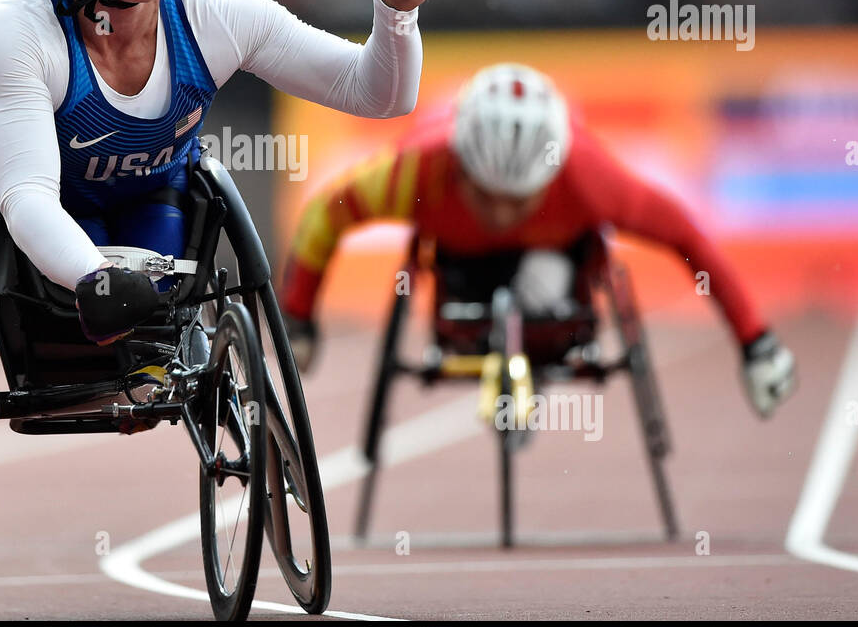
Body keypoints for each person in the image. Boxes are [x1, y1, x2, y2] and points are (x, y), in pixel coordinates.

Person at [0, 0, 449, 345]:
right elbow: (29, 194)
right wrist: (95, 278)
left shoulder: (213, 12)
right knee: (86, 338)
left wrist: (397, 10)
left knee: (157, 349)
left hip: (158, 205)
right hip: (59, 215)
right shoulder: (12, 28)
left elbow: (377, 95)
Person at [279, 62, 797, 419]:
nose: (503, 213)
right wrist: (298, 317)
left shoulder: (587, 176)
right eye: (487, 196)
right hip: (458, 267)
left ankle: (535, 332)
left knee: (551, 278)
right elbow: (323, 216)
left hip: (555, 267)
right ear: (460, 168)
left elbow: (687, 235)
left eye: (518, 198)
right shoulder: (417, 171)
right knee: (471, 284)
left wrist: (757, 343)